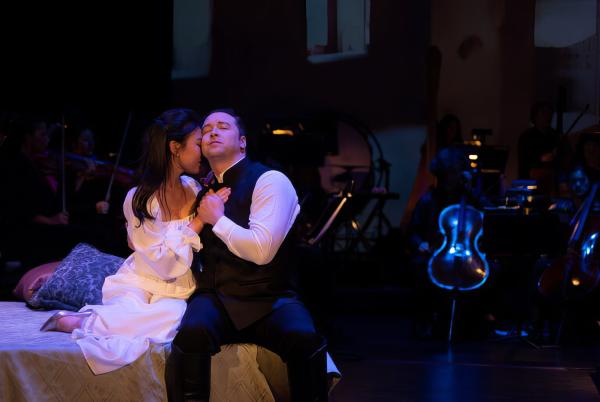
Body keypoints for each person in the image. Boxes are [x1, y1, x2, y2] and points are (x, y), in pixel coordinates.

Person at [39, 108, 231, 376]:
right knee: (130, 309)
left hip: (175, 288)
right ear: (175, 147)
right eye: (198, 144)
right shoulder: (139, 198)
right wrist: (197, 221)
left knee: (171, 318)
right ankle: (83, 320)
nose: (205, 150)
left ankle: (89, 322)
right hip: (140, 278)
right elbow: (163, 264)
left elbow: (175, 270)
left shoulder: (194, 189)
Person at [167, 110, 329, 402]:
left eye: (222, 126)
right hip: (217, 296)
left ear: (242, 142)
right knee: (190, 335)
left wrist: (217, 219)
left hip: (269, 297)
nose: (212, 132)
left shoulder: (270, 180)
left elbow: (261, 251)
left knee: (305, 338)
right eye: (206, 129)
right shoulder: (201, 188)